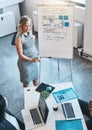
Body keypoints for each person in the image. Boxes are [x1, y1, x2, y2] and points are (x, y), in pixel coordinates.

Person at [15, 15, 40, 88]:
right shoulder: (18, 38)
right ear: (21, 26)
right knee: (26, 83)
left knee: (36, 79)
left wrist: (37, 54)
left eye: (29, 25)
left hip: (33, 60)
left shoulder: (30, 33)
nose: (28, 28)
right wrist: (32, 60)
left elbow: (32, 46)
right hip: (25, 64)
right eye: (26, 26)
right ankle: (28, 98)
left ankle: (38, 95)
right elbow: (20, 55)